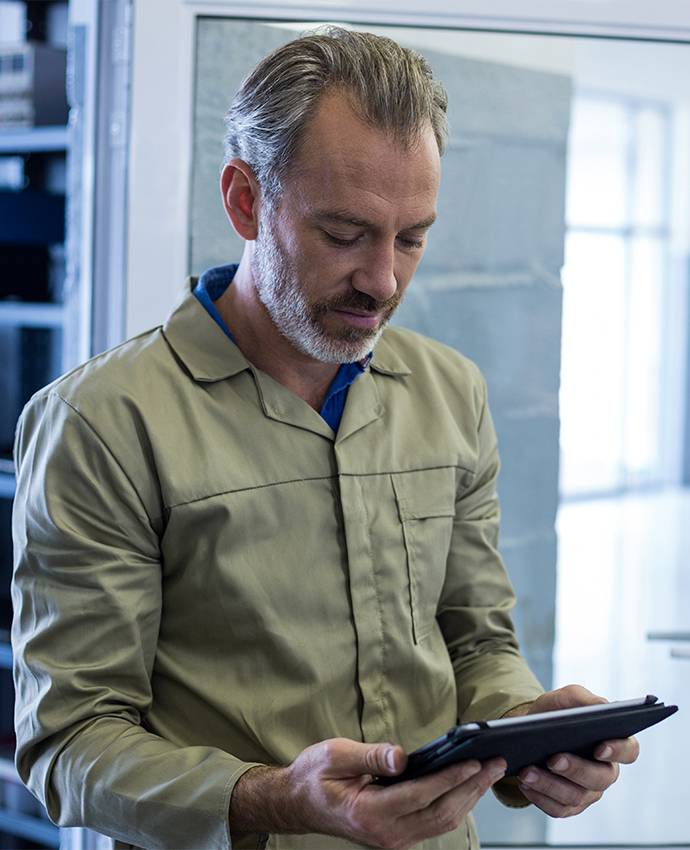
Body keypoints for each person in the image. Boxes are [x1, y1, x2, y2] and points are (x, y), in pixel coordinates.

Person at [11, 27, 638, 850]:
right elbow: (69, 745)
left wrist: (530, 737)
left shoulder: (453, 393)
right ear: (244, 199)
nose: (383, 280)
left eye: (412, 237)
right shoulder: (103, 422)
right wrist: (274, 798)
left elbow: (477, 639)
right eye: (344, 234)